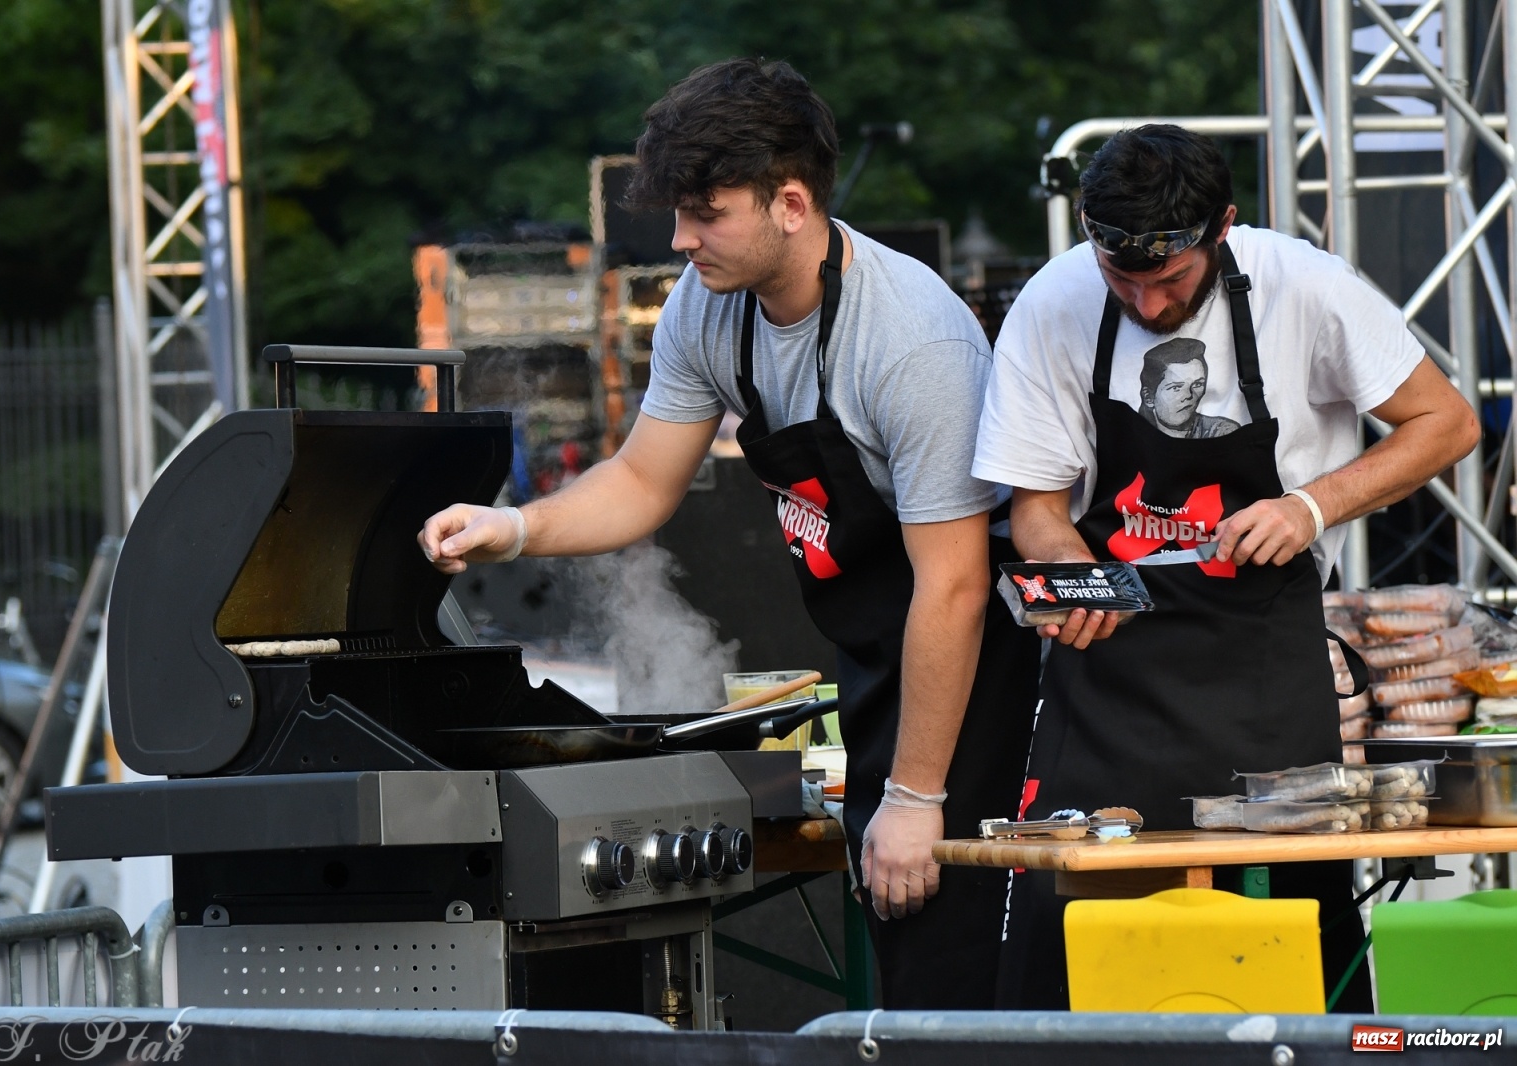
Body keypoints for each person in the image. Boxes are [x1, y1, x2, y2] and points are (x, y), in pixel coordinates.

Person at [419, 57, 1040, 1009]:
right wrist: (512, 528)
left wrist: (917, 799)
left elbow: (952, 587)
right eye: (677, 211)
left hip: (990, 671)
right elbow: (639, 478)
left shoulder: (913, 341)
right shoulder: (708, 311)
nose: (679, 239)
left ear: (790, 202)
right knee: (906, 964)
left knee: (955, 971)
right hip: (881, 651)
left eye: (705, 213)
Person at [970, 124, 1480, 1010]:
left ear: (1223, 229)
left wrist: (1308, 506)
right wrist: (1073, 579)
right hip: (1109, 674)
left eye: (1167, 279)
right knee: (1087, 943)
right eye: (1119, 276)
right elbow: (1037, 510)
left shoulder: (1306, 286)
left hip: (1262, 672)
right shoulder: (1052, 304)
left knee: (1286, 933)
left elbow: (1447, 423)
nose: (1146, 302)